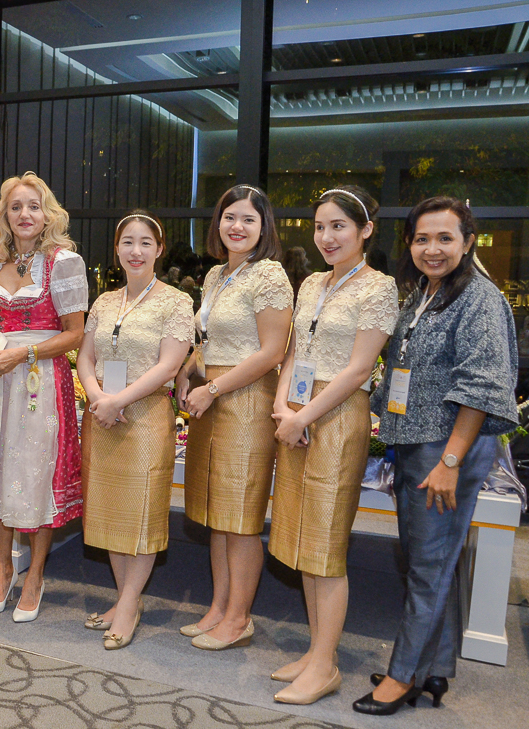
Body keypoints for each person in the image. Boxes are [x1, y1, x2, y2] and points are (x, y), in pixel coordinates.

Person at [355, 197, 518, 715]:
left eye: (445, 238)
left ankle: (402, 675)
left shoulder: (479, 299)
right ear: (409, 244)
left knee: (427, 565)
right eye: (422, 238)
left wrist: (449, 462)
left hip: (447, 448)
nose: (433, 249)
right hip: (416, 441)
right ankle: (435, 668)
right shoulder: (426, 293)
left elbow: (482, 387)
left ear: (467, 242)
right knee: (429, 561)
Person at [268, 187, 398, 704]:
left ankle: (325, 666)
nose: (326, 237)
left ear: (365, 230)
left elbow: (359, 369)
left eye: (339, 226)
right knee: (301, 536)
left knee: (325, 544)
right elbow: (294, 351)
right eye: (320, 227)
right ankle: (316, 651)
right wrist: (283, 407)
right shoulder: (311, 284)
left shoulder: (379, 288)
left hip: (339, 417)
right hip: (297, 414)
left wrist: (303, 415)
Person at [0, 172, 87, 622]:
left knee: (33, 474)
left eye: (33, 206)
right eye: (16, 207)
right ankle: (4, 571)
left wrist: (23, 353)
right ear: (5, 216)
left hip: (38, 379)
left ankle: (35, 576)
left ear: (47, 214)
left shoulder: (63, 262)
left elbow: (74, 334)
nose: (25, 214)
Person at [175, 184, 293, 650]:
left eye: (248, 219)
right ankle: (219, 607)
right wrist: (188, 369)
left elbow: (272, 352)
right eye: (229, 217)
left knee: (240, 517)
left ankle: (239, 617)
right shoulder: (217, 274)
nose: (237, 226)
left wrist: (212, 388)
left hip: (245, 402)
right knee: (216, 513)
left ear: (264, 227)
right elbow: (211, 340)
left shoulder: (270, 276)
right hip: (211, 397)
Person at [77, 210, 192, 649]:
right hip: (103, 415)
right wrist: (97, 397)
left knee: (141, 510)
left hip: (144, 416)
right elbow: (86, 356)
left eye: (146, 242)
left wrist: (118, 400)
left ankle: (128, 605)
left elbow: (169, 364)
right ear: (117, 249)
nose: (136, 251)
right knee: (110, 509)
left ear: (159, 249)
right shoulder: (105, 302)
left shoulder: (175, 302)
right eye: (128, 242)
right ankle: (125, 598)